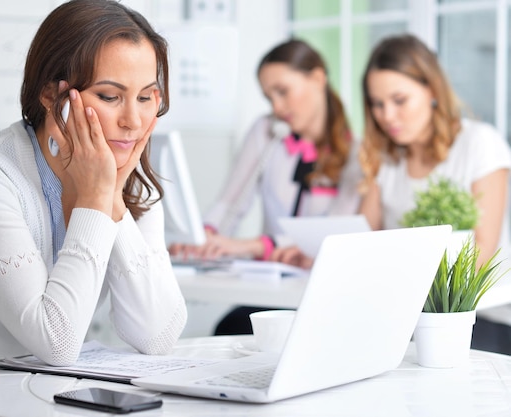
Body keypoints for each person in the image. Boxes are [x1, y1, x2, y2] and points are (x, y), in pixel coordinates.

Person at [0, 1, 188, 415]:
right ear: (52, 94)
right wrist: (97, 198)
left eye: (147, 97)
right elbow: (57, 341)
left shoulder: (127, 185)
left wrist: (113, 197)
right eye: (109, 96)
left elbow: (158, 336)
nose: (133, 121)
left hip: (40, 403)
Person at [172, 39, 362, 334]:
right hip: (273, 291)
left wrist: (253, 245)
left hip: (324, 295)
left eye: (283, 92)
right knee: (230, 328)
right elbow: (230, 202)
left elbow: (330, 236)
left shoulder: (356, 153)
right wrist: (205, 236)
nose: (276, 106)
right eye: (268, 97)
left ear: (318, 78)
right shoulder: (266, 133)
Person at [358, 33, 511, 354]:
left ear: (432, 91)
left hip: (477, 315)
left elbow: (482, 253)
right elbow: (362, 238)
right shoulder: (386, 160)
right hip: (407, 312)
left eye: (399, 101)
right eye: (377, 104)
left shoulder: (479, 144)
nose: (386, 115)